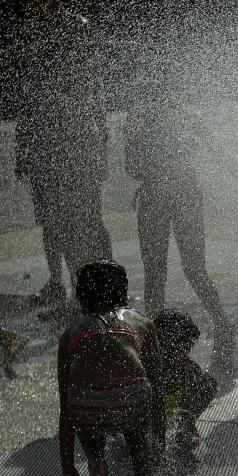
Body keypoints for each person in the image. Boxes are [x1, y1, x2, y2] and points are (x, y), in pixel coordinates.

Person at [124, 80, 235, 374]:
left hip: (169, 195)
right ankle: (214, 325)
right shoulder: (167, 119)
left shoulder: (161, 120)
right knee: (175, 270)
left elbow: (132, 166)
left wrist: (152, 166)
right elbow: (132, 166)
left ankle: (216, 326)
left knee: (171, 270)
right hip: (171, 194)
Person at [5, 0, 111, 307]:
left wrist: (98, 148)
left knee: (84, 220)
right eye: (26, 13)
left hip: (75, 148)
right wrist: (22, 149)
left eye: (34, 9)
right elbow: (29, 102)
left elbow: (88, 94)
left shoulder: (73, 29)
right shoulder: (33, 44)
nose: (28, 17)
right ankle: (60, 284)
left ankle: (101, 288)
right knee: (52, 222)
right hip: (45, 150)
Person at [48, 260, 165, 476]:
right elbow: (157, 383)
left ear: (79, 296)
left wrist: (67, 467)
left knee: (84, 409)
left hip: (87, 408)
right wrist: (161, 439)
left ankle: (97, 471)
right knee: (136, 407)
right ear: (123, 292)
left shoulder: (70, 333)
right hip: (132, 401)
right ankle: (144, 470)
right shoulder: (140, 322)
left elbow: (65, 407)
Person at [152, 308, 219, 452]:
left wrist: (187, 420)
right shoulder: (145, 364)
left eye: (176, 343)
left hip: (166, 417)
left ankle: (185, 428)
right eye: (162, 341)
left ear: (187, 346)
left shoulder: (189, 368)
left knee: (209, 382)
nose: (168, 348)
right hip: (143, 423)